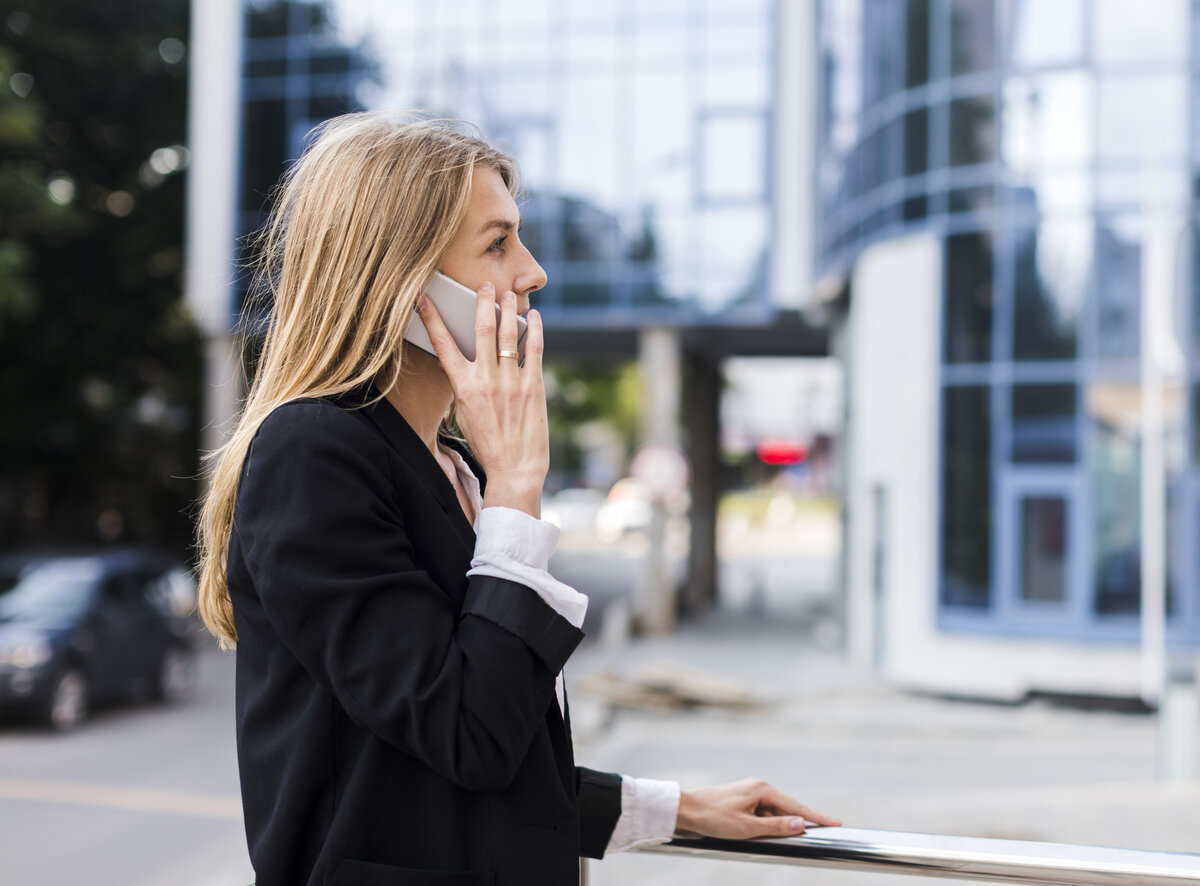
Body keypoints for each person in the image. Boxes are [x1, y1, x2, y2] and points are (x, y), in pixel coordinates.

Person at [197, 111, 839, 886]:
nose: (532, 271)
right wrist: (517, 489)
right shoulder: (316, 452)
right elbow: (469, 731)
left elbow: (467, 758)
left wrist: (680, 809)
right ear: (400, 276)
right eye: (498, 243)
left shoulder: (449, 465)